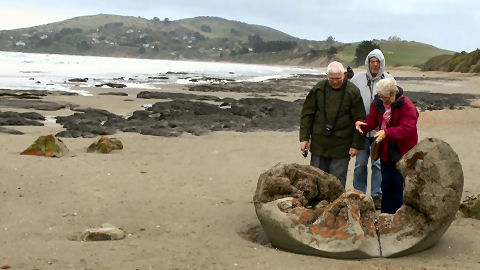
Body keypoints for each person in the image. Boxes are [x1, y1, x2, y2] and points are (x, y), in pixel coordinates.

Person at [355, 78, 419, 214]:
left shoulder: (407, 106)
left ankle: (398, 215)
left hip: (402, 150)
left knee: (398, 184)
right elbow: (372, 120)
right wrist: (362, 124)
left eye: (386, 98)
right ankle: (386, 214)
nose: (383, 101)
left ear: (393, 94)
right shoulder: (378, 102)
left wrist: (387, 132)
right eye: (381, 97)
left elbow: (407, 129)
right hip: (385, 148)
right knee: (386, 183)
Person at [299, 61, 366, 187]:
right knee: (316, 180)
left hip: (342, 146)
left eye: (338, 79)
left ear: (345, 74)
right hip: (319, 144)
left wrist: (356, 145)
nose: (335, 82)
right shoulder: (318, 89)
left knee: (337, 183)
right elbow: (307, 114)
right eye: (331, 79)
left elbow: (360, 120)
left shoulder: (353, 91)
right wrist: (304, 138)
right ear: (326, 75)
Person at [350, 49, 396, 209]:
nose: (375, 65)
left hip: (380, 131)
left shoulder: (389, 80)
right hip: (362, 130)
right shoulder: (357, 79)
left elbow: (396, 101)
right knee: (360, 164)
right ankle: (359, 194)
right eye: (372, 61)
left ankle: (377, 195)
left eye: (378, 62)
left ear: (382, 63)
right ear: (368, 63)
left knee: (377, 165)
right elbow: (348, 96)